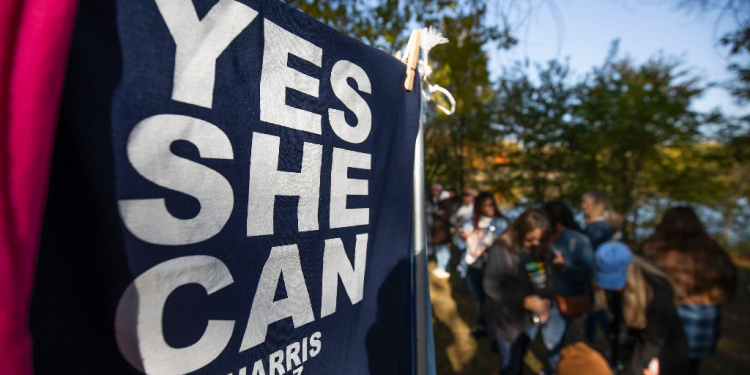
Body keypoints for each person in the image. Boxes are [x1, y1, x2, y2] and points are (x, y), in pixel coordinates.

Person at [641, 206, 738, 375]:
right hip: (701, 329)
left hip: (664, 331)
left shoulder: (655, 249)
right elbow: (729, 281)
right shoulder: (712, 251)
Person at [483, 209, 565, 375]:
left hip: (531, 320)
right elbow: (490, 286)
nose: (536, 243)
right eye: (531, 239)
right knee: (511, 364)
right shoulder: (502, 249)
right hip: (507, 320)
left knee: (520, 355)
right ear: (519, 231)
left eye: (540, 239)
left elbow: (545, 279)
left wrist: (548, 301)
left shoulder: (541, 249)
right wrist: (523, 301)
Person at [593, 242, 689, 375]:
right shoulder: (612, 290)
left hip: (662, 355)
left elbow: (653, 340)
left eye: (617, 280)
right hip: (631, 348)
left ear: (631, 268)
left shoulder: (659, 290)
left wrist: (632, 371)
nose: (615, 288)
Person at [541, 201, 595, 358]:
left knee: (552, 337)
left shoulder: (578, 240)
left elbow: (589, 272)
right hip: (546, 295)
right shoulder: (542, 239)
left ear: (557, 224)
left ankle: (558, 366)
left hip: (568, 297)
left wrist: (564, 268)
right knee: (552, 335)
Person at [457, 192, 508, 336]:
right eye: (486, 205)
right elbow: (462, 246)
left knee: (495, 300)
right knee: (480, 299)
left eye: (492, 204)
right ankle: (482, 327)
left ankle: (496, 334)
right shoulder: (470, 223)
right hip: (474, 266)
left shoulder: (502, 222)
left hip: (494, 268)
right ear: (479, 207)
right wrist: (463, 238)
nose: (490, 208)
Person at [582, 190, 623, 342]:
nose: (583, 206)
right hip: (614, 273)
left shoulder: (598, 227)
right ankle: (589, 334)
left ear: (597, 206)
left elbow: (591, 254)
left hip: (598, 273)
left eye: (587, 203)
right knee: (598, 306)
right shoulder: (611, 223)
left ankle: (614, 340)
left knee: (597, 306)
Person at [426, 183, 453, 278]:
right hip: (437, 231)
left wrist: (437, 213)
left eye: (437, 190)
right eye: (433, 190)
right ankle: (441, 267)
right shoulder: (434, 201)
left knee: (443, 249)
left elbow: (447, 214)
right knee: (439, 249)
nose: (435, 192)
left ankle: (445, 268)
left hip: (442, 231)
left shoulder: (445, 201)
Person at [451, 188, 477, 277]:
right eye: (464, 195)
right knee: (460, 257)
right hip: (459, 236)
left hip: (471, 238)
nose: (466, 197)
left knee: (467, 259)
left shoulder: (476, 209)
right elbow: (452, 219)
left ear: (473, 197)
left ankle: (467, 279)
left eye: (468, 195)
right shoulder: (462, 208)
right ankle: (464, 279)